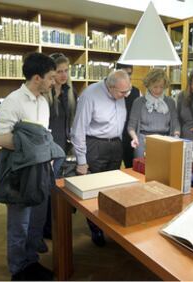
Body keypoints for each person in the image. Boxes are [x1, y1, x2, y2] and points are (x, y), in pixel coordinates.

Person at [0, 52, 57, 281]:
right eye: (50, 77)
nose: (54, 81)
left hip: (40, 171)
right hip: (20, 173)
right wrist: (34, 148)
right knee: (19, 223)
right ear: (37, 78)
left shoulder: (43, 102)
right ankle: (18, 268)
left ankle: (31, 261)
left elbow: (43, 134)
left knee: (37, 220)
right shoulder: (13, 101)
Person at [70, 70, 130, 246]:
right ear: (110, 87)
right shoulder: (90, 95)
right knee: (95, 190)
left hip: (115, 144)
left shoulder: (121, 92)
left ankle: (110, 225)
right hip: (95, 145)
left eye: (128, 90)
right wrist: (81, 161)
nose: (126, 95)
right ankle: (95, 227)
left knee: (112, 189)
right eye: (122, 92)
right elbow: (78, 129)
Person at [41, 53, 77, 240]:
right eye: (59, 71)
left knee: (59, 188)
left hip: (64, 148)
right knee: (48, 189)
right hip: (48, 150)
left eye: (66, 71)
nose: (63, 75)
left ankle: (56, 223)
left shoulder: (70, 92)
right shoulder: (45, 94)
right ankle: (46, 228)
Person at [128, 68, 180, 158]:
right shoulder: (139, 102)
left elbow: (175, 123)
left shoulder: (170, 102)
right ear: (148, 85)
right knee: (142, 170)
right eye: (155, 87)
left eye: (161, 87)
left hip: (165, 142)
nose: (158, 90)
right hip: (143, 142)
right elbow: (131, 126)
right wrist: (134, 138)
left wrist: (176, 136)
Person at [115, 63, 141, 168]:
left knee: (131, 169)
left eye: (129, 74)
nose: (128, 77)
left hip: (130, 137)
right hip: (114, 138)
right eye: (124, 74)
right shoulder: (111, 91)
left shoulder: (136, 92)